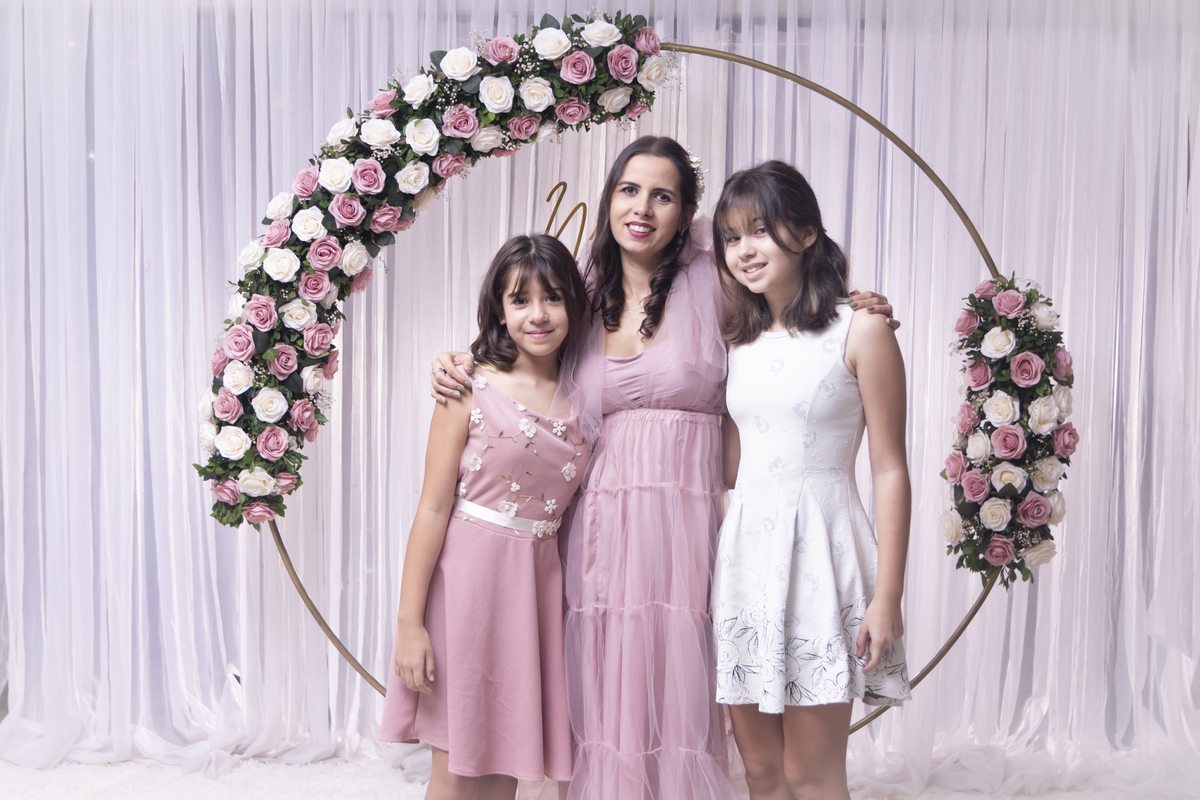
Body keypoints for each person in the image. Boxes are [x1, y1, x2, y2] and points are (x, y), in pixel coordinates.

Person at [429, 137, 898, 800]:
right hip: (598, 524)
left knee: (683, 682)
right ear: (608, 199)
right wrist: (457, 361)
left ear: (686, 213)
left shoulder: (717, 278)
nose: (642, 208)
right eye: (629, 190)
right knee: (603, 687)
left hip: (691, 520)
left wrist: (854, 304)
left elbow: (787, 306)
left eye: (663, 195)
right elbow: (524, 345)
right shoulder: (582, 291)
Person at [710, 160, 911, 800]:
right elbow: (732, 468)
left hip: (822, 559)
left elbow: (890, 469)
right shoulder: (735, 342)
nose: (745, 250)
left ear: (806, 232)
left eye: (760, 230)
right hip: (746, 565)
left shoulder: (863, 328)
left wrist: (887, 596)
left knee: (810, 775)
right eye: (731, 236)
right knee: (762, 774)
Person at [380, 234, 593, 800]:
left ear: (574, 303)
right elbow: (432, 508)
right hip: (468, 590)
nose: (538, 315)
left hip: (536, 592)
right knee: (456, 769)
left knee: (506, 769)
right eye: (520, 300)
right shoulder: (467, 386)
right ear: (499, 309)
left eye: (553, 297)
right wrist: (409, 625)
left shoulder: (587, 396)